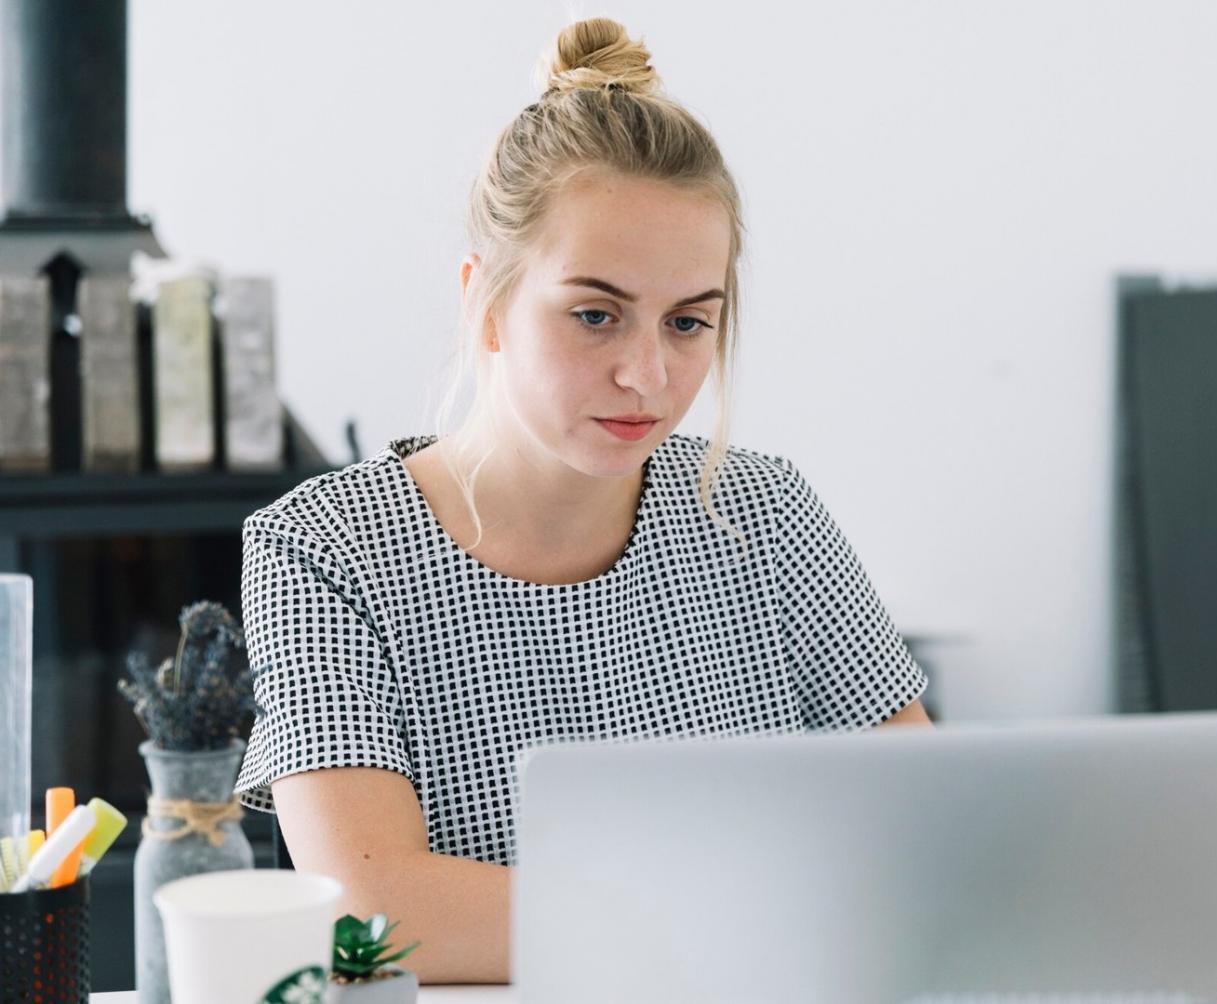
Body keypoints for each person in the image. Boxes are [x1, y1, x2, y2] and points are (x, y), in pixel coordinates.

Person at [232, 16, 931, 985]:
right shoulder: (322, 546)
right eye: (594, 313)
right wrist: (750, 905)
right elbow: (374, 906)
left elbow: (925, 829)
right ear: (485, 299)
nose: (646, 373)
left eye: (689, 322)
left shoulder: (764, 511)